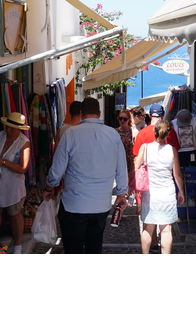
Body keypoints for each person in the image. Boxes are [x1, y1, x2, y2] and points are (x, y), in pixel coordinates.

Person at [42, 97, 128, 254]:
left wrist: (49, 188)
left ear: (81, 113)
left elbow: (57, 168)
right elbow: (121, 167)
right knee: (94, 245)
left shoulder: (70, 134)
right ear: (99, 113)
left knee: (73, 247)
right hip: (101, 203)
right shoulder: (113, 135)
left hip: (75, 203)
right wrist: (121, 193)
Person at [132, 103, 180, 250]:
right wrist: (182, 191)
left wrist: (132, 184)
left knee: (148, 227)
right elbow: (177, 173)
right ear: (162, 115)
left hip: (149, 190)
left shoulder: (143, 136)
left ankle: (151, 247)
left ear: (149, 116)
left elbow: (135, 163)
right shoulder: (170, 137)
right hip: (167, 191)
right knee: (166, 230)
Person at [0, 112, 31, 254]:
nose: (8, 130)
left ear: (20, 129)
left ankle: (18, 245)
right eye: (8, 126)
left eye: (12, 128)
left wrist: (3, 162)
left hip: (13, 186)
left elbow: (23, 168)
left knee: (14, 214)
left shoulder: (23, 142)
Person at [116, 109, 135, 192]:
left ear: (129, 120)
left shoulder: (133, 131)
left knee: (130, 179)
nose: (122, 121)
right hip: (119, 158)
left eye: (125, 119)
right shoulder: (115, 132)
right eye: (121, 118)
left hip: (130, 159)